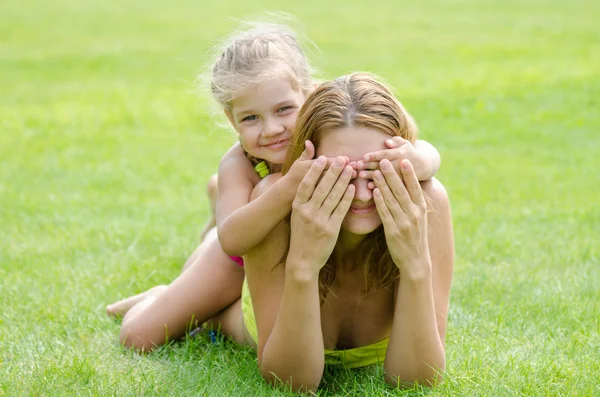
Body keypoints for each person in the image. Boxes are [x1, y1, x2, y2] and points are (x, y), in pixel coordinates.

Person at [107, 23, 443, 355]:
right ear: (230, 118)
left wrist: (420, 161)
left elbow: (419, 144)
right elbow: (233, 240)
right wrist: (287, 187)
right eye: (251, 118)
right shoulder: (239, 163)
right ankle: (160, 296)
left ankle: (206, 275)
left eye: (284, 109)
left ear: (309, 94)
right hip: (244, 252)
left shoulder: (331, 122)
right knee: (140, 335)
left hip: (302, 259)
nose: (271, 129)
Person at [237, 73, 454, 392]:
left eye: (378, 172)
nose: (364, 195)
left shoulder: (426, 203)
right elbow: (292, 383)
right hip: (242, 311)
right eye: (340, 175)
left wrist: (415, 266)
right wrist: (302, 266)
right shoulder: (277, 206)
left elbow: (415, 381)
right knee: (155, 321)